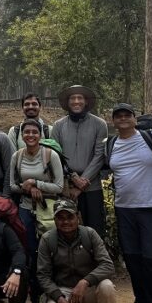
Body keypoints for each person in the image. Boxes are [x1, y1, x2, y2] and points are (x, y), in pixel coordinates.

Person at [103, 103, 152, 303]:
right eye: (118, 116)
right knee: (132, 259)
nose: (123, 119)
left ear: (134, 118)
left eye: (127, 115)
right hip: (124, 209)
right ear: (113, 121)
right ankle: (141, 302)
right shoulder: (111, 144)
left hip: (151, 207)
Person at [37, 198, 120, 303]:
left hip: (88, 290)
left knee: (107, 286)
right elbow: (43, 275)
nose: (65, 222)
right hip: (64, 290)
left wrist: (85, 282)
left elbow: (107, 265)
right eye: (60, 218)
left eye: (70, 217)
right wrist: (60, 299)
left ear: (78, 217)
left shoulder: (89, 234)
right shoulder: (48, 239)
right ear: (55, 220)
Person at [7, 118, 64, 303]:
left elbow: (59, 187)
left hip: (48, 211)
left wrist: (36, 183)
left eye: (34, 132)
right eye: (27, 132)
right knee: (28, 252)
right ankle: (32, 299)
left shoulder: (50, 155)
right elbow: (12, 185)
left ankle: (51, 297)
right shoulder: (17, 156)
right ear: (22, 135)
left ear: (40, 135)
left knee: (48, 254)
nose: (30, 135)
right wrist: (29, 189)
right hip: (25, 209)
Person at [50, 85, 108, 241]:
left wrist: (82, 184)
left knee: (95, 228)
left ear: (86, 102)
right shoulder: (58, 125)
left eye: (80, 98)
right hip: (66, 186)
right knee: (65, 226)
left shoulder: (100, 124)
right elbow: (55, 155)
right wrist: (73, 178)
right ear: (68, 103)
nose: (76, 101)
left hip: (92, 185)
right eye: (72, 98)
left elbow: (99, 156)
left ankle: (97, 261)